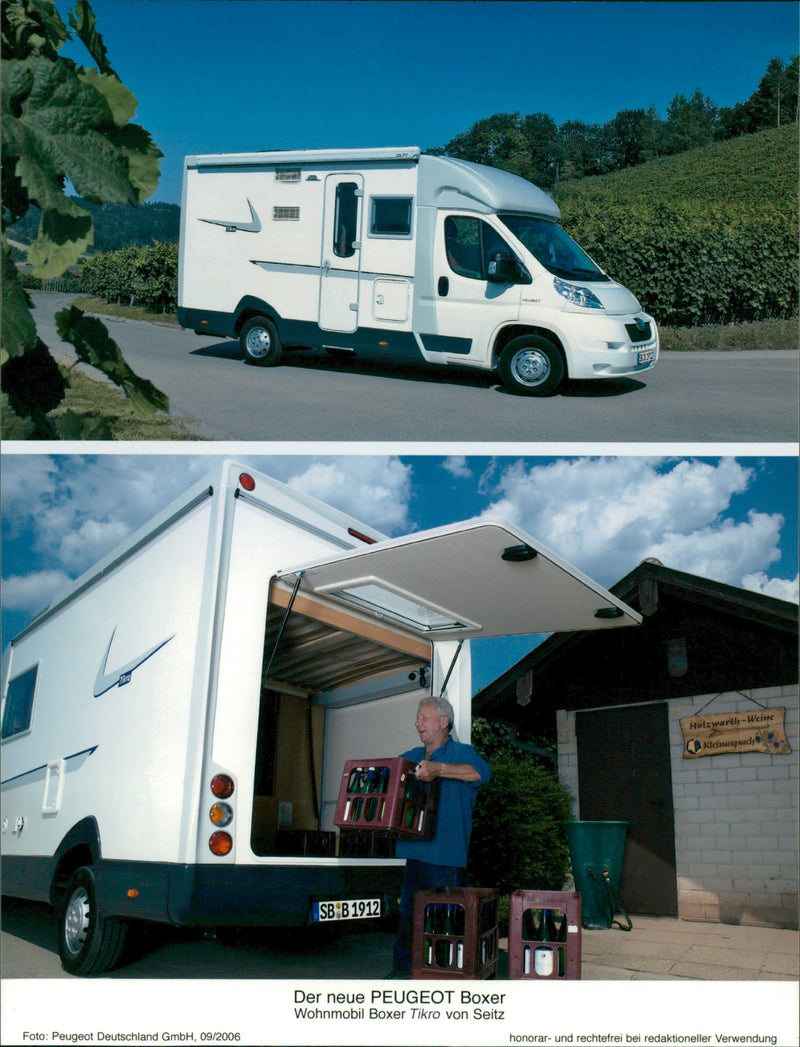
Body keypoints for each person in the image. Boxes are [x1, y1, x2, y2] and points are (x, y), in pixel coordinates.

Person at [390, 695, 491, 976]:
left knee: (442, 921)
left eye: (424, 718)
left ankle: (443, 976)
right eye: (417, 718)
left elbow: (481, 774)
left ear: (443, 722)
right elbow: (390, 772)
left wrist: (439, 770)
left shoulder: (462, 753)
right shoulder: (411, 756)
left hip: (446, 857)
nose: (417, 723)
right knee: (408, 919)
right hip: (414, 854)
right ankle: (401, 976)